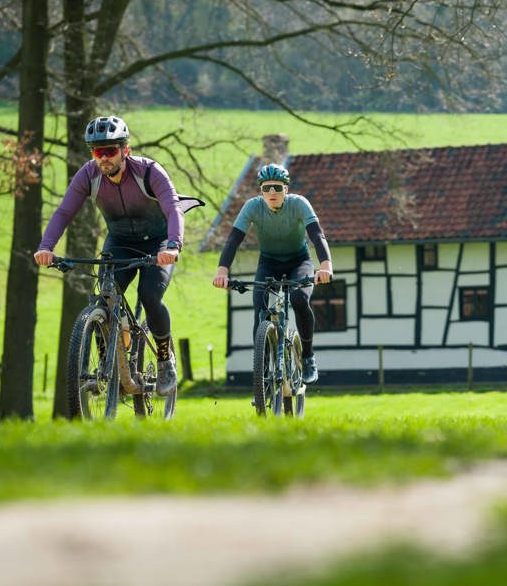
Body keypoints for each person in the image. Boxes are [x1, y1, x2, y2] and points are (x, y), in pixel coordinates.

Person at [34, 115, 203, 396]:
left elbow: (173, 208)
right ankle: (105, 367)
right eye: (98, 151)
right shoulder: (88, 175)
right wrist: (46, 247)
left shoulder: (149, 172)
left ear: (126, 150)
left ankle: (164, 361)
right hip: (120, 242)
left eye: (111, 150)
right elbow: (64, 212)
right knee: (105, 299)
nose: (104, 158)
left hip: (158, 243)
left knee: (150, 297)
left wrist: (173, 245)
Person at [212, 162, 332, 383]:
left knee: (298, 298)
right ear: (261, 191)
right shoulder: (252, 207)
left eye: (277, 187)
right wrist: (222, 271)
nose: (272, 193)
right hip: (268, 263)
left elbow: (317, 235)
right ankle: (262, 367)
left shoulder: (299, 204)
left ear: (286, 189)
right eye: (266, 188)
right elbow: (233, 240)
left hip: (299, 261)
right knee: (260, 307)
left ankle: (307, 357)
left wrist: (325, 265)